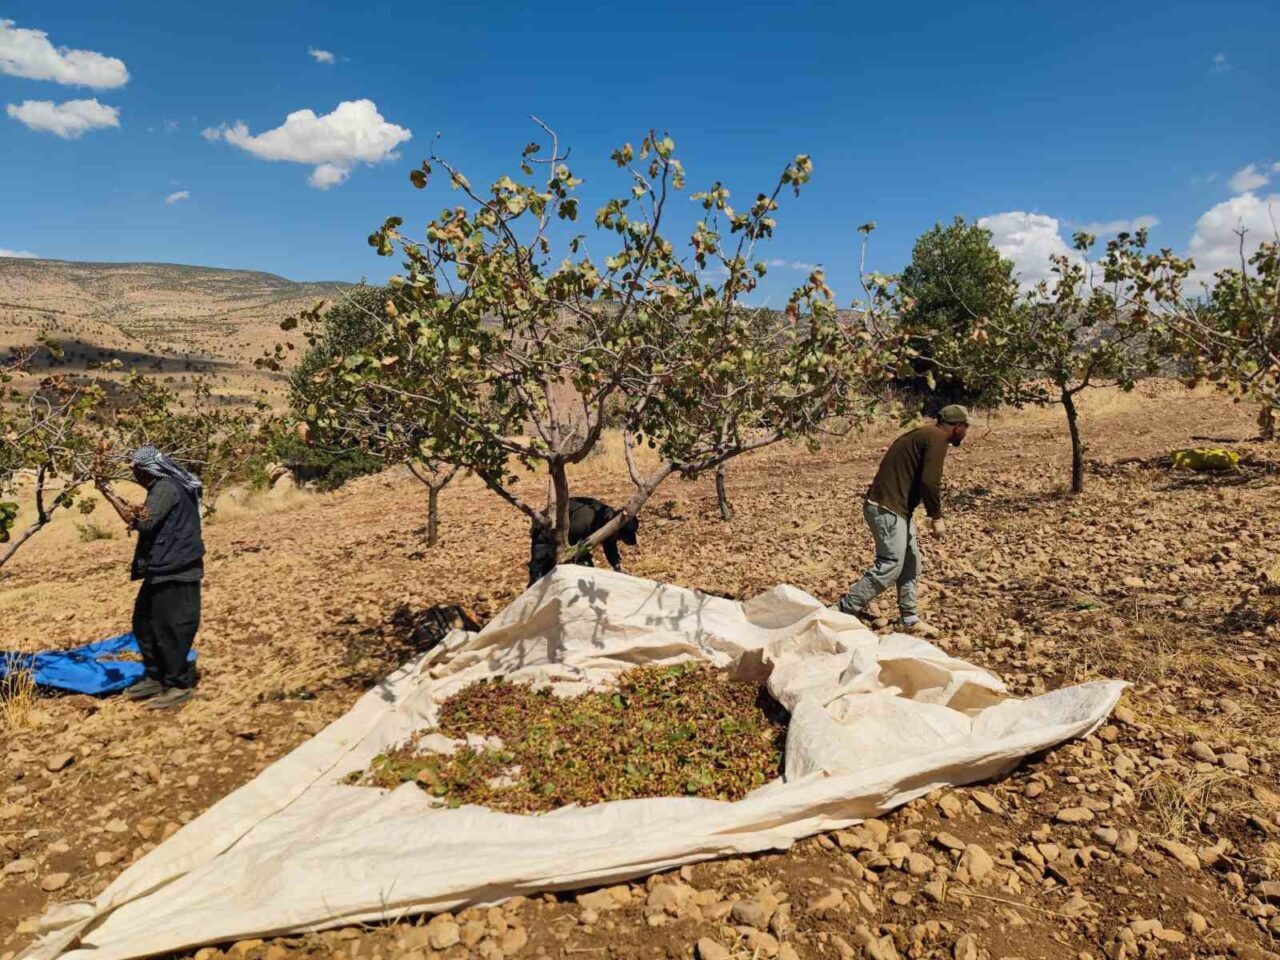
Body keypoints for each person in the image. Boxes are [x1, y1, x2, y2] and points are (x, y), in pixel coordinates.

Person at [836, 405, 970, 637]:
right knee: (891, 564)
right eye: (966, 428)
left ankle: (909, 619)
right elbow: (930, 482)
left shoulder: (926, 434)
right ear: (957, 427)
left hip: (895, 508)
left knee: (910, 564)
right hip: (887, 508)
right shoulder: (938, 438)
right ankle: (843, 609)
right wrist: (936, 516)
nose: (966, 433)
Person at [97, 446, 205, 709]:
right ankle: (156, 677)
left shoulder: (165, 488)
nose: (134, 475)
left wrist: (108, 492)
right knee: (144, 623)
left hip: (175, 569)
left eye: (135, 470)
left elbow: (144, 522)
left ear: (145, 471)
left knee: (171, 628)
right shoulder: (165, 486)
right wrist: (107, 490)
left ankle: (178, 685)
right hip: (164, 567)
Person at [528, 496, 639, 585]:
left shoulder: (610, 520)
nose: (618, 540)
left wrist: (616, 565)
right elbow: (566, 548)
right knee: (542, 577)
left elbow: (609, 542)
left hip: (574, 539)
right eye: (619, 538)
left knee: (584, 574)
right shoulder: (585, 521)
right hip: (547, 533)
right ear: (615, 531)